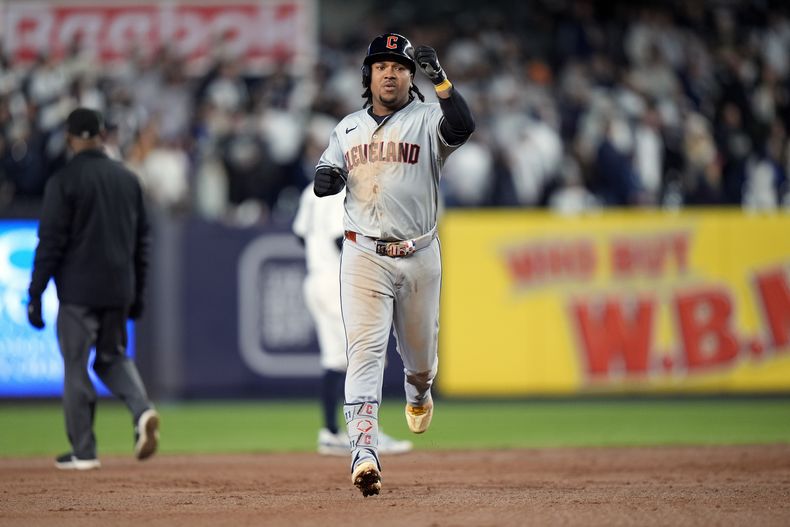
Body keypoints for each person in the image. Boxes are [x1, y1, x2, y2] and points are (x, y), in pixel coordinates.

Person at [313, 33, 475, 496]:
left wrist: (441, 80)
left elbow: (462, 127)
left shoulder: (428, 119)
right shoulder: (346, 129)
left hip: (419, 255)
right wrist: (326, 177)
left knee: (420, 362)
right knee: (363, 353)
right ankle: (363, 453)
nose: (389, 72)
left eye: (399, 66)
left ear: (410, 75)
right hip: (363, 253)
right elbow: (327, 176)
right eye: (381, 65)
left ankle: (419, 393)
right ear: (369, 75)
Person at [27, 107, 160, 470]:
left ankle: (84, 451)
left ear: (70, 138)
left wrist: (36, 292)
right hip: (120, 287)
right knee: (112, 356)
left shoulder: (64, 181)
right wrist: (138, 293)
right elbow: (142, 244)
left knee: (76, 365)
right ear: (102, 135)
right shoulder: (128, 180)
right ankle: (142, 410)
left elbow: (50, 243)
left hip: (78, 291)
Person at [292, 183, 413, 457]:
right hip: (338, 283)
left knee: (336, 359)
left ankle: (331, 433)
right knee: (368, 355)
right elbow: (340, 238)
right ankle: (368, 434)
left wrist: (318, 252)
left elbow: (299, 235)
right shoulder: (342, 190)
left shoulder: (312, 188)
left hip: (316, 280)